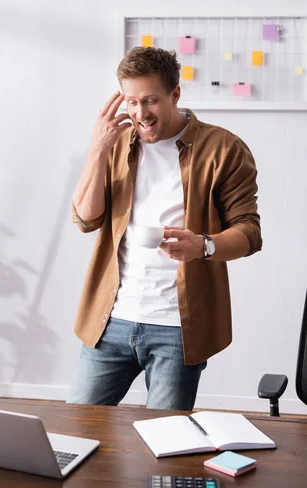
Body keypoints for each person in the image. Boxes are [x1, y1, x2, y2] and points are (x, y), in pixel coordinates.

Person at [68, 46, 262, 410]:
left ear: (175, 94)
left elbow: (249, 232)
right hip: (110, 320)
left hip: (177, 327)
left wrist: (203, 246)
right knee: (78, 428)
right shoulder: (115, 145)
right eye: (131, 102)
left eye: (150, 101)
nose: (140, 114)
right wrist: (97, 149)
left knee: (166, 442)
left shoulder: (223, 149)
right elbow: (85, 219)